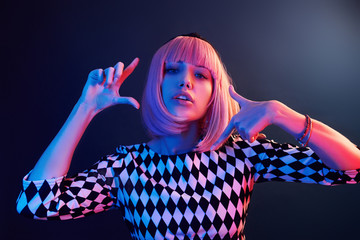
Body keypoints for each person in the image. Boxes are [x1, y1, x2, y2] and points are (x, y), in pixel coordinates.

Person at [16, 33, 360, 240]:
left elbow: (352, 168)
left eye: (201, 75)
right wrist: (85, 108)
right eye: (173, 70)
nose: (186, 82)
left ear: (215, 92)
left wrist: (282, 114)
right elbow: (37, 204)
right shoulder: (126, 166)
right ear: (158, 82)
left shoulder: (241, 153)